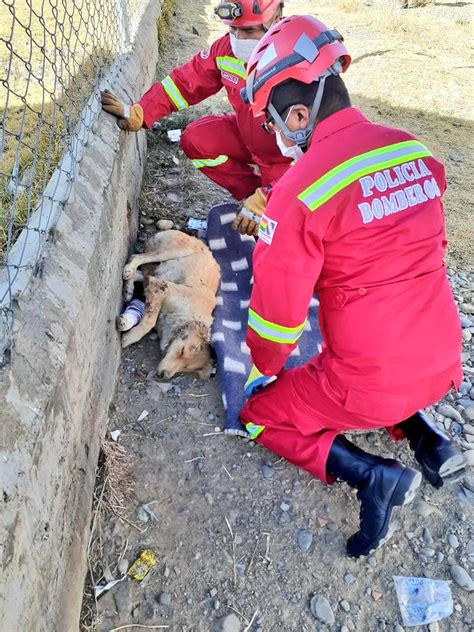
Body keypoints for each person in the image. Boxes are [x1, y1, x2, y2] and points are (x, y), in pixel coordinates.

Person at [240, 15, 466, 557]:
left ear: (298, 115)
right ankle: (425, 436)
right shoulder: (417, 155)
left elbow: (276, 329)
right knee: (385, 345)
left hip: (369, 384)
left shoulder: (297, 193)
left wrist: (259, 372)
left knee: (256, 417)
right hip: (443, 358)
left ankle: (371, 477)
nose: (277, 138)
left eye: (275, 125)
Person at [100, 0, 291, 236]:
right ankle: (250, 194)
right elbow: (186, 82)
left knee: (283, 224)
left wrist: (270, 196)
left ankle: (268, 202)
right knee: (196, 139)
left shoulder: (296, 58)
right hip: (248, 135)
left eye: (249, 30)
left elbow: (317, 152)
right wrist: (143, 111)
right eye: (233, 29)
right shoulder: (226, 50)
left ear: (276, 20)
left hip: (286, 158)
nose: (239, 39)